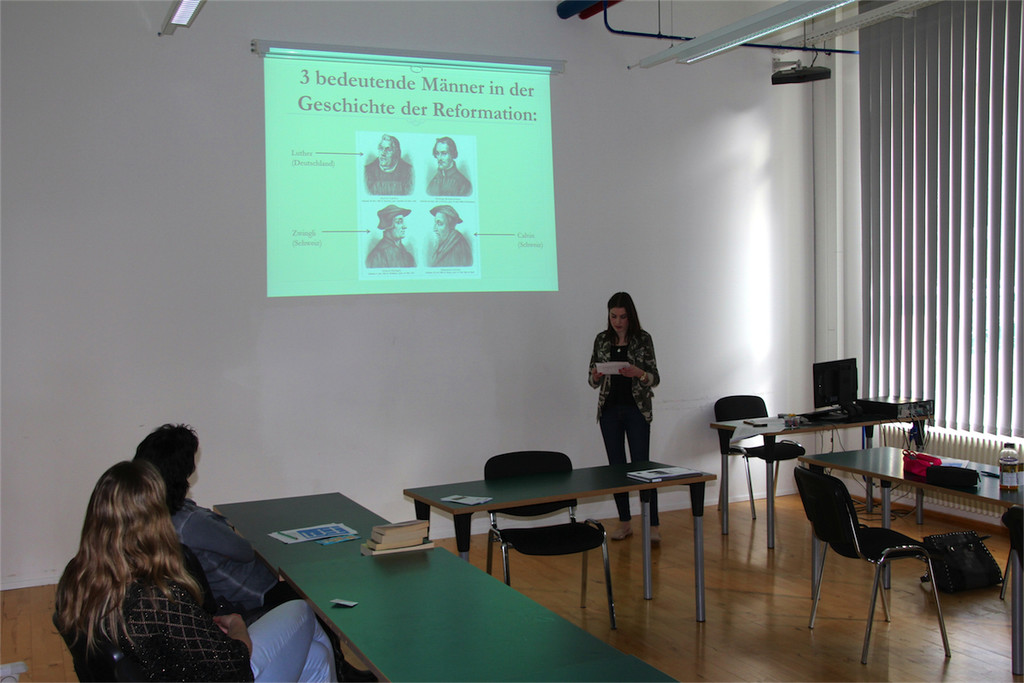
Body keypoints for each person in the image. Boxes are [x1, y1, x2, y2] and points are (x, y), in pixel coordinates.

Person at [133, 424, 377, 682]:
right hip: (250, 594)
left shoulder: (153, 517)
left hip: (225, 596)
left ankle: (338, 670)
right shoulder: (190, 522)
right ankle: (342, 672)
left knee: (317, 650)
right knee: (309, 598)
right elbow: (243, 551)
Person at [54, 460, 336, 682]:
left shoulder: (75, 576)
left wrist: (202, 625)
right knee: (302, 609)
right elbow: (235, 663)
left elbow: (162, 638)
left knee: (317, 656)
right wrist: (237, 624)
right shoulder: (158, 596)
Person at [588, 292, 661, 542]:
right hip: (609, 411)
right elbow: (591, 378)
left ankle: (653, 525)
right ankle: (625, 522)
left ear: (631, 316)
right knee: (617, 469)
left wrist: (639, 373)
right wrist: (596, 376)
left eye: (622, 317)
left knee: (643, 468)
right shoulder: (602, 340)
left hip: (636, 410)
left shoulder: (643, 339)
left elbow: (654, 378)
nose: (617, 322)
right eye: (613, 316)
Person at [366, 204, 415, 268]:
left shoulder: (407, 255)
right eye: (399, 222)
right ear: (388, 225)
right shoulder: (377, 255)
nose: (405, 226)